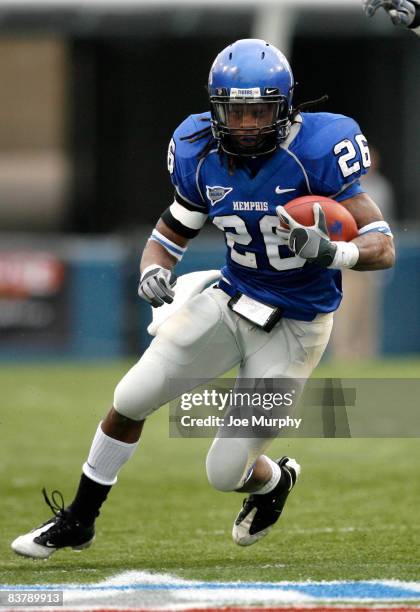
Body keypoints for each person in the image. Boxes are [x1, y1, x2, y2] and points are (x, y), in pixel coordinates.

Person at [11, 39, 395, 559]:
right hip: (231, 297)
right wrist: (153, 268)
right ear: (217, 109)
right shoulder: (198, 152)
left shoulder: (318, 152)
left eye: (260, 111)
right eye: (235, 111)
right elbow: (171, 232)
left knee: (224, 473)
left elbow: (382, 247)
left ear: (283, 109)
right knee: (130, 398)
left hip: (296, 325)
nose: (247, 124)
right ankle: (79, 519)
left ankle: (273, 481)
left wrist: (334, 252)